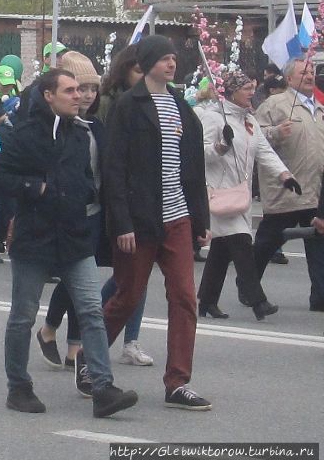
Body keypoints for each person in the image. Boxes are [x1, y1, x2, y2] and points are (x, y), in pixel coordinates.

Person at [0, 69, 138, 418]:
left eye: (81, 90)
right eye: (70, 90)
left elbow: (86, 178)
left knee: (91, 311)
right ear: (48, 95)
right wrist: (35, 188)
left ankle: (102, 388)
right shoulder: (25, 135)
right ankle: (18, 387)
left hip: (73, 236)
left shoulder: (80, 135)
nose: (78, 96)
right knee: (23, 316)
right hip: (35, 238)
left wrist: (84, 198)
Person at [102, 35, 212, 411]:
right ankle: (91, 360)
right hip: (139, 219)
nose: (171, 64)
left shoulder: (182, 108)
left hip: (177, 217)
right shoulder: (127, 107)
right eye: (164, 58)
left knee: (184, 298)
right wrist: (122, 223)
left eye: (173, 58)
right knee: (128, 297)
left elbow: (193, 168)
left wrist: (200, 220)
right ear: (147, 63)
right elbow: (114, 169)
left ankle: (178, 382)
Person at [197, 69, 295, 320]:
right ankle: (257, 300)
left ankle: (206, 300)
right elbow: (200, 152)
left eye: (253, 87)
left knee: (221, 248)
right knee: (241, 243)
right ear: (231, 92)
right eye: (247, 88)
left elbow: (264, 152)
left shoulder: (249, 121)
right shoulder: (214, 118)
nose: (253, 92)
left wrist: (285, 175)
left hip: (240, 193)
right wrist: (221, 146)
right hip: (218, 193)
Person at [252, 57, 323, 311]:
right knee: (267, 243)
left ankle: (320, 297)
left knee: (318, 244)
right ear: (289, 78)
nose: (309, 75)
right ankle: (248, 285)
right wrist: (274, 133)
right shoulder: (275, 104)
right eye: (303, 72)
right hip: (286, 189)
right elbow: (254, 138)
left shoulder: (319, 107)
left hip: (315, 191)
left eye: (312, 71)